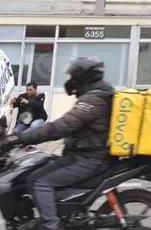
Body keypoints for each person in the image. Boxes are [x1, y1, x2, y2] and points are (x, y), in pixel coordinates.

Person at [2, 58, 115, 230]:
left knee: (37, 181)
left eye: (73, 76)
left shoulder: (93, 101)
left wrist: (19, 138)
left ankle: (50, 225)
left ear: (83, 77)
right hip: (86, 155)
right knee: (40, 162)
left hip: (89, 159)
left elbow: (60, 127)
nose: (70, 80)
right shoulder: (96, 95)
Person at [11, 82, 48, 149]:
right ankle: (22, 143)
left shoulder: (40, 95)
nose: (28, 91)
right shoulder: (22, 96)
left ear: (36, 89)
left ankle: (32, 146)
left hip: (39, 118)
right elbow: (14, 105)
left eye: (30, 89)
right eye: (27, 89)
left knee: (34, 125)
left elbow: (39, 105)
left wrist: (28, 102)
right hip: (27, 119)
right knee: (15, 131)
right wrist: (13, 101)